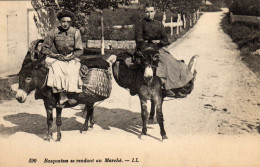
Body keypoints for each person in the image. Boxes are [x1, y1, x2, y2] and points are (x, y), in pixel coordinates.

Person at [134, 3, 195, 97]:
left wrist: (158, 44)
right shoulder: (140, 24)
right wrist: (148, 44)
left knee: (172, 62)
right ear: (144, 12)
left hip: (158, 48)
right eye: (147, 12)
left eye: (151, 11)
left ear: (154, 12)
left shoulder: (159, 24)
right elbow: (139, 39)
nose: (149, 14)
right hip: (144, 50)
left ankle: (177, 86)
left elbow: (165, 40)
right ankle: (164, 88)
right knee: (159, 62)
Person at [41, 10, 83, 106]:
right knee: (56, 69)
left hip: (71, 57)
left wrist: (70, 57)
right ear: (60, 21)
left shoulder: (75, 32)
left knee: (73, 70)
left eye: (68, 22)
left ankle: (72, 93)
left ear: (71, 22)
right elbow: (44, 48)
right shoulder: (53, 32)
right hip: (56, 57)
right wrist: (55, 55)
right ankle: (62, 95)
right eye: (63, 21)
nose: (65, 24)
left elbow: (79, 50)